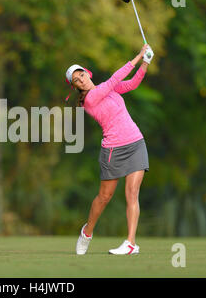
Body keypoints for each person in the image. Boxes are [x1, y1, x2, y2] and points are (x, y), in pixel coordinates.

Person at [64, 44, 154, 255]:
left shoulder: (106, 88)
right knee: (105, 197)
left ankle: (131, 243)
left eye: (81, 74)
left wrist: (146, 63)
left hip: (135, 143)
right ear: (76, 86)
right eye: (76, 80)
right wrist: (138, 56)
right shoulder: (89, 99)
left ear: (87, 73)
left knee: (132, 193)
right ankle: (87, 232)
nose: (81, 79)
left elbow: (132, 84)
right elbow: (114, 79)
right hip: (113, 150)